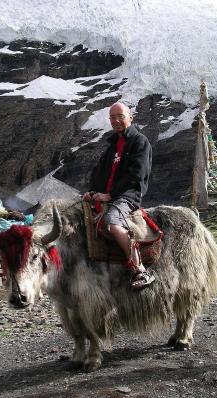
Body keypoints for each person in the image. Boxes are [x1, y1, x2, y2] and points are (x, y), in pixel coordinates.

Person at [83, 102, 155, 289]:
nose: (116, 121)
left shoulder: (140, 142)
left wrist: (110, 195)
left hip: (128, 196)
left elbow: (136, 175)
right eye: (112, 117)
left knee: (113, 223)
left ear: (130, 117)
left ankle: (139, 269)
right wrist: (93, 191)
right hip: (109, 195)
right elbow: (100, 173)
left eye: (120, 116)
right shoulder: (112, 145)